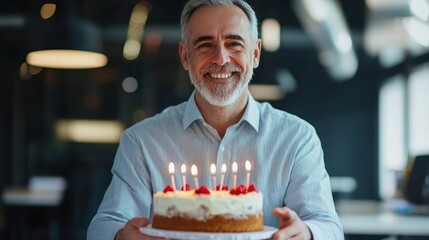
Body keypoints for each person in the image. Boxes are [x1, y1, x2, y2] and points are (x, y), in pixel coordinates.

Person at [87, 0, 344, 239]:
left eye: (234, 43)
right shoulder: (142, 141)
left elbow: (329, 226)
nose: (221, 59)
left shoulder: (297, 137)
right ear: (185, 56)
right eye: (205, 45)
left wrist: (307, 232)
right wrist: (120, 235)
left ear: (255, 54)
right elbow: (103, 225)